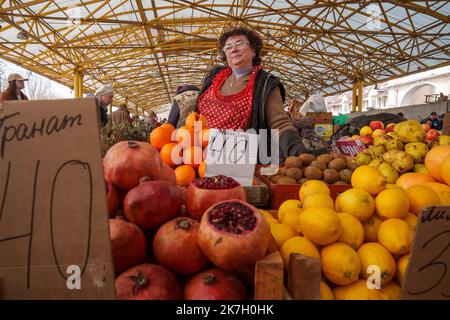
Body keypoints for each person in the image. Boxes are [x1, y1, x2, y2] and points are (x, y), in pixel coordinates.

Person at [194, 26, 324, 159]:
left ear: (253, 51)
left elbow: (280, 124)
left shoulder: (265, 84)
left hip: (238, 160)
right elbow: (195, 117)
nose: (233, 49)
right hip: (199, 157)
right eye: (228, 47)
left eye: (239, 43)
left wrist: (299, 154)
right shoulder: (214, 77)